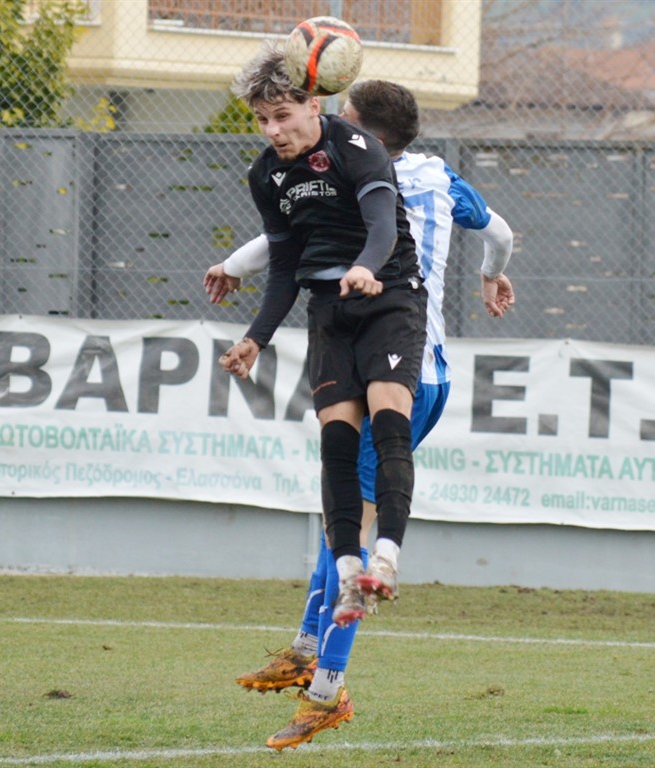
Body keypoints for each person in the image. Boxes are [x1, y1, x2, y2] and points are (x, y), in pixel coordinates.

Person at [205, 78, 515, 750]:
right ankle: (305, 649)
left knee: (353, 519)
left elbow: (279, 242)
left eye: (342, 119)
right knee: (341, 515)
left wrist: (231, 264)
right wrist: (491, 273)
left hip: (397, 354)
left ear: (364, 135)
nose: (332, 130)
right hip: (421, 362)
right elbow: (500, 232)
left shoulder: (355, 170)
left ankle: (327, 688)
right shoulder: (438, 176)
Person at [217, 49, 430, 749]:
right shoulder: (267, 175)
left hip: (389, 297)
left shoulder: (356, 145)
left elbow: (382, 223)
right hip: (329, 310)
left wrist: (367, 268)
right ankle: (348, 575)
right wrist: (255, 337)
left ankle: (387, 558)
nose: (273, 130)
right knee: (336, 444)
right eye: (262, 120)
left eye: (283, 115)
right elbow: (284, 264)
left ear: (316, 104)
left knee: (389, 424)